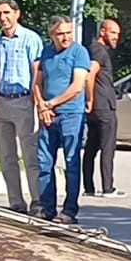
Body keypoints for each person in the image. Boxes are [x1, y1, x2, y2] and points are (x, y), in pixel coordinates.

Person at [0, 0, 45, 214]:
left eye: (7, 13)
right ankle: (16, 202)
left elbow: (37, 70)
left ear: (17, 13)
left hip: (23, 101)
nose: (3, 17)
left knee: (30, 154)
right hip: (1, 101)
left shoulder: (30, 39)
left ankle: (37, 200)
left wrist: (36, 100)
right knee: (6, 155)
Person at [33, 16, 91, 225]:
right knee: (44, 161)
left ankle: (69, 210)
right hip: (48, 115)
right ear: (51, 36)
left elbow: (77, 87)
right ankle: (47, 207)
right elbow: (38, 82)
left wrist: (51, 104)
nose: (65, 37)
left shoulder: (79, 52)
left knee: (71, 162)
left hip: (70, 114)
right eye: (60, 34)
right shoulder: (47, 53)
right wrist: (41, 105)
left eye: (68, 32)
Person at [82, 19, 125, 199]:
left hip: (97, 107)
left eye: (117, 33)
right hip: (103, 107)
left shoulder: (93, 49)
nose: (116, 37)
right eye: (113, 32)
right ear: (102, 32)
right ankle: (108, 188)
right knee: (107, 147)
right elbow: (89, 75)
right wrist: (90, 99)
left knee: (91, 146)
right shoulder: (99, 51)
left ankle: (89, 187)